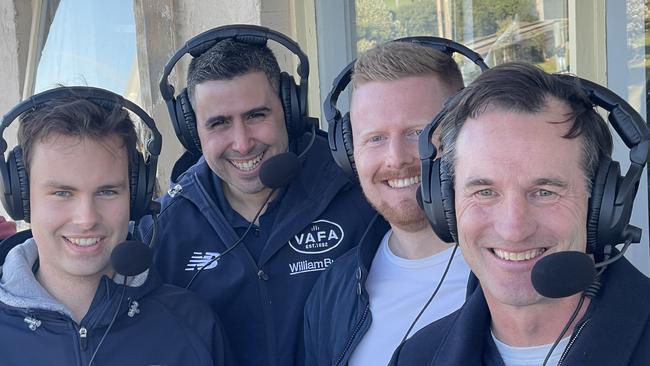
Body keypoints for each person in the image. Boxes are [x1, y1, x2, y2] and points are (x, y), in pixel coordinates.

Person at [138, 34, 377, 366]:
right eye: (219, 123)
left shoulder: (361, 194)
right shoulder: (165, 230)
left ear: (289, 108)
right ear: (192, 131)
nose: (242, 143)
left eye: (256, 115)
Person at [390, 62, 650, 365]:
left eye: (544, 192)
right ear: (445, 205)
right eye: (484, 192)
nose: (513, 229)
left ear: (602, 205)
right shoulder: (416, 357)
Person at [0, 90, 230, 365]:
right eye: (62, 193)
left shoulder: (192, 324)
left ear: (136, 197)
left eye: (107, 192)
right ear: (22, 200)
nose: (86, 219)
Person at [304, 41, 471, 366]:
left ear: (461, 136)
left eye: (418, 133)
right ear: (348, 152)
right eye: (375, 138)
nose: (396, 159)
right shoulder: (334, 291)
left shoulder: (516, 267)